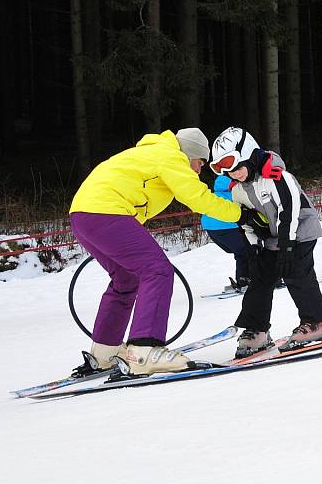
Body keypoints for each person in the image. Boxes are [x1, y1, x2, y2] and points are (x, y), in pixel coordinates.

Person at [69, 128, 243, 375]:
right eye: (199, 162)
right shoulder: (171, 156)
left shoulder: (152, 153)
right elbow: (198, 197)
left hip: (82, 215)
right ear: (190, 153)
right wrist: (240, 214)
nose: (198, 169)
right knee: (157, 270)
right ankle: (144, 350)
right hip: (106, 211)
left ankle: (105, 352)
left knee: (125, 279)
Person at [209, 126, 322, 358]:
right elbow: (245, 223)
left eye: (235, 166)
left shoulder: (277, 176)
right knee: (260, 279)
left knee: (297, 272)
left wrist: (288, 246)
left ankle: (319, 321)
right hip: (274, 238)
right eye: (225, 171)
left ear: (248, 154)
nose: (232, 173)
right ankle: (257, 330)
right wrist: (253, 250)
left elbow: (290, 211)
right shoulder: (238, 189)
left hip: (300, 230)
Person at [201, 174, 251, 292]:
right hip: (227, 226)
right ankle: (244, 281)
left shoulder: (215, 195)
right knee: (245, 251)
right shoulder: (235, 194)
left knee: (242, 251)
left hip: (211, 228)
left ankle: (245, 279)